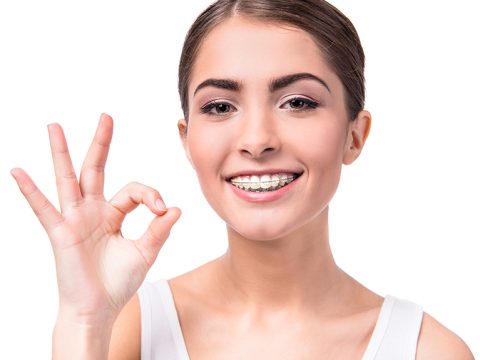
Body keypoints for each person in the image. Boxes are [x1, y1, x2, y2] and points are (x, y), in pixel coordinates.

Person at [10, 0, 474, 359]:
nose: (256, 140)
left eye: (297, 102)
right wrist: (84, 320)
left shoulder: (425, 350)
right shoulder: (128, 328)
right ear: (187, 140)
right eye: (219, 107)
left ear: (355, 135)